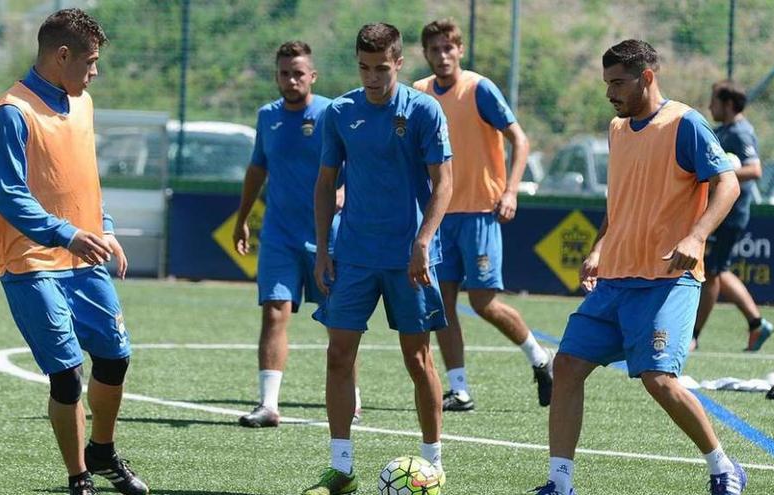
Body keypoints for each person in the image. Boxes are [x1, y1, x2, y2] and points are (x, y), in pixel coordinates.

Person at [532, 40, 745, 495]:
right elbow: (621, 202)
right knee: (566, 366)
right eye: (606, 83)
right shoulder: (616, 128)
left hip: (667, 281)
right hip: (614, 280)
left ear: (646, 77)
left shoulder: (685, 124)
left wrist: (696, 235)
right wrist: (599, 246)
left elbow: (728, 185)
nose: (609, 92)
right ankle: (559, 482)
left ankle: (723, 465)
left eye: (617, 83)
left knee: (658, 379)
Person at [0, 9, 147, 495]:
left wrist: (106, 228)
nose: (95, 71)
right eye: (90, 61)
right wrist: (66, 234)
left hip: (83, 255)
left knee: (115, 359)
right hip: (31, 262)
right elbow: (10, 195)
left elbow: (82, 179)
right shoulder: (12, 112)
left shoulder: (84, 103)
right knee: (67, 375)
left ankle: (102, 450)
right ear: (62, 56)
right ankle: (79, 478)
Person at [302, 22, 452, 495]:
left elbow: (444, 183)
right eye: (364, 68)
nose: (372, 77)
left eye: (381, 68)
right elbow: (326, 184)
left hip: (410, 256)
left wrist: (424, 241)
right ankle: (341, 467)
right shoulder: (341, 111)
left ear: (399, 63)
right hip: (354, 255)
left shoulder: (424, 110)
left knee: (418, 358)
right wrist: (324, 248)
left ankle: (433, 462)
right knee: (338, 354)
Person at [413, 18, 552, 412]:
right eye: (435, 49)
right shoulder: (419, 93)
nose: (442, 55)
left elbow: (519, 139)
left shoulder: (479, 89)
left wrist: (510, 190)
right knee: (442, 303)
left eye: (448, 48)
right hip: (438, 217)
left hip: (479, 212)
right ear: (426, 54)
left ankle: (541, 360)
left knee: (484, 302)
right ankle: (459, 389)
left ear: (459, 50)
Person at [232, 41, 361, 428]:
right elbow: (257, 169)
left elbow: (358, 162)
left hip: (328, 236)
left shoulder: (331, 114)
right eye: (285, 73)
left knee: (339, 321)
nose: (291, 80)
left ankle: (350, 394)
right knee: (274, 312)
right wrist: (242, 217)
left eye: (298, 73)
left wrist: (344, 191)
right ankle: (268, 404)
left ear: (313, 76)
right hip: (279, 235)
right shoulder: (267, 117)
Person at [691, 80, 774, 352]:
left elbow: (754, 170)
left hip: (730, 213)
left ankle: (693, 335)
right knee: (717, 269)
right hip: (719, 211)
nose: (709, 106)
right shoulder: (722, 131)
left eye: (714, 100)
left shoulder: (740, 133)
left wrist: (720, 173)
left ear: (727, 104)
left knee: (712, 273)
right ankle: (756, 323)